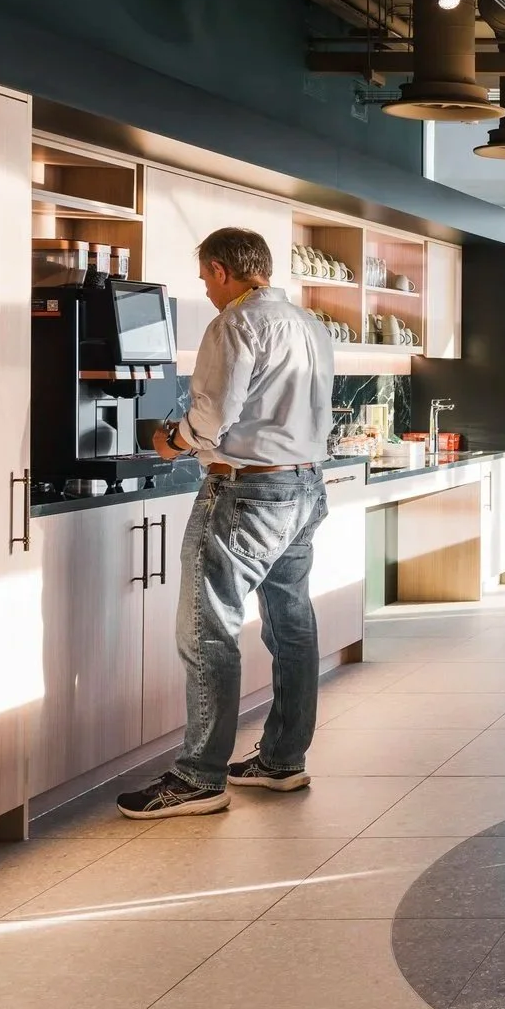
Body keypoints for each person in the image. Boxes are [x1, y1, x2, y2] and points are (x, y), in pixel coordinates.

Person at [118, 227, 334, 819]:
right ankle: (283, 760)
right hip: (303, 486)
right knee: (291, 625)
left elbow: (213, 415)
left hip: (246, 492)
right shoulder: (309, 323)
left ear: (219, 271)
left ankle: (199, 776)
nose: (206, 290)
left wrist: (173, 442)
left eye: (204, 279)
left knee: (208, 628)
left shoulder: (236, 323)